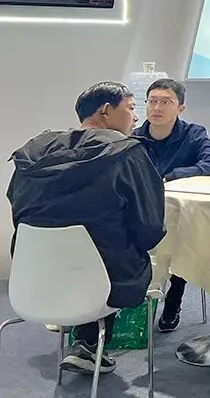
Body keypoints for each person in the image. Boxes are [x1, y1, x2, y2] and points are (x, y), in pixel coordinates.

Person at [7, 83, 165, 376]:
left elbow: (18, 211)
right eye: (131, 108)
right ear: (106, 110)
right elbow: (150, 228)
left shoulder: (33, 152)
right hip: (105, 281)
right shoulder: (125, 153)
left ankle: (86, 342)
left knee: (96, 246)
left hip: (32, 280)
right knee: (116, 249)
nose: (136, 117)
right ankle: (89, 344)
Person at [132, 78, 210, 333]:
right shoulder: (134, 138)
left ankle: (175, 297)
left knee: (181, 237)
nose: (156, 108)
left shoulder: (194, 134)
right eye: (152, 101)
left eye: (165, 102)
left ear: (180, 107)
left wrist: (172, 176)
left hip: (181, 214)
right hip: (144, 212)